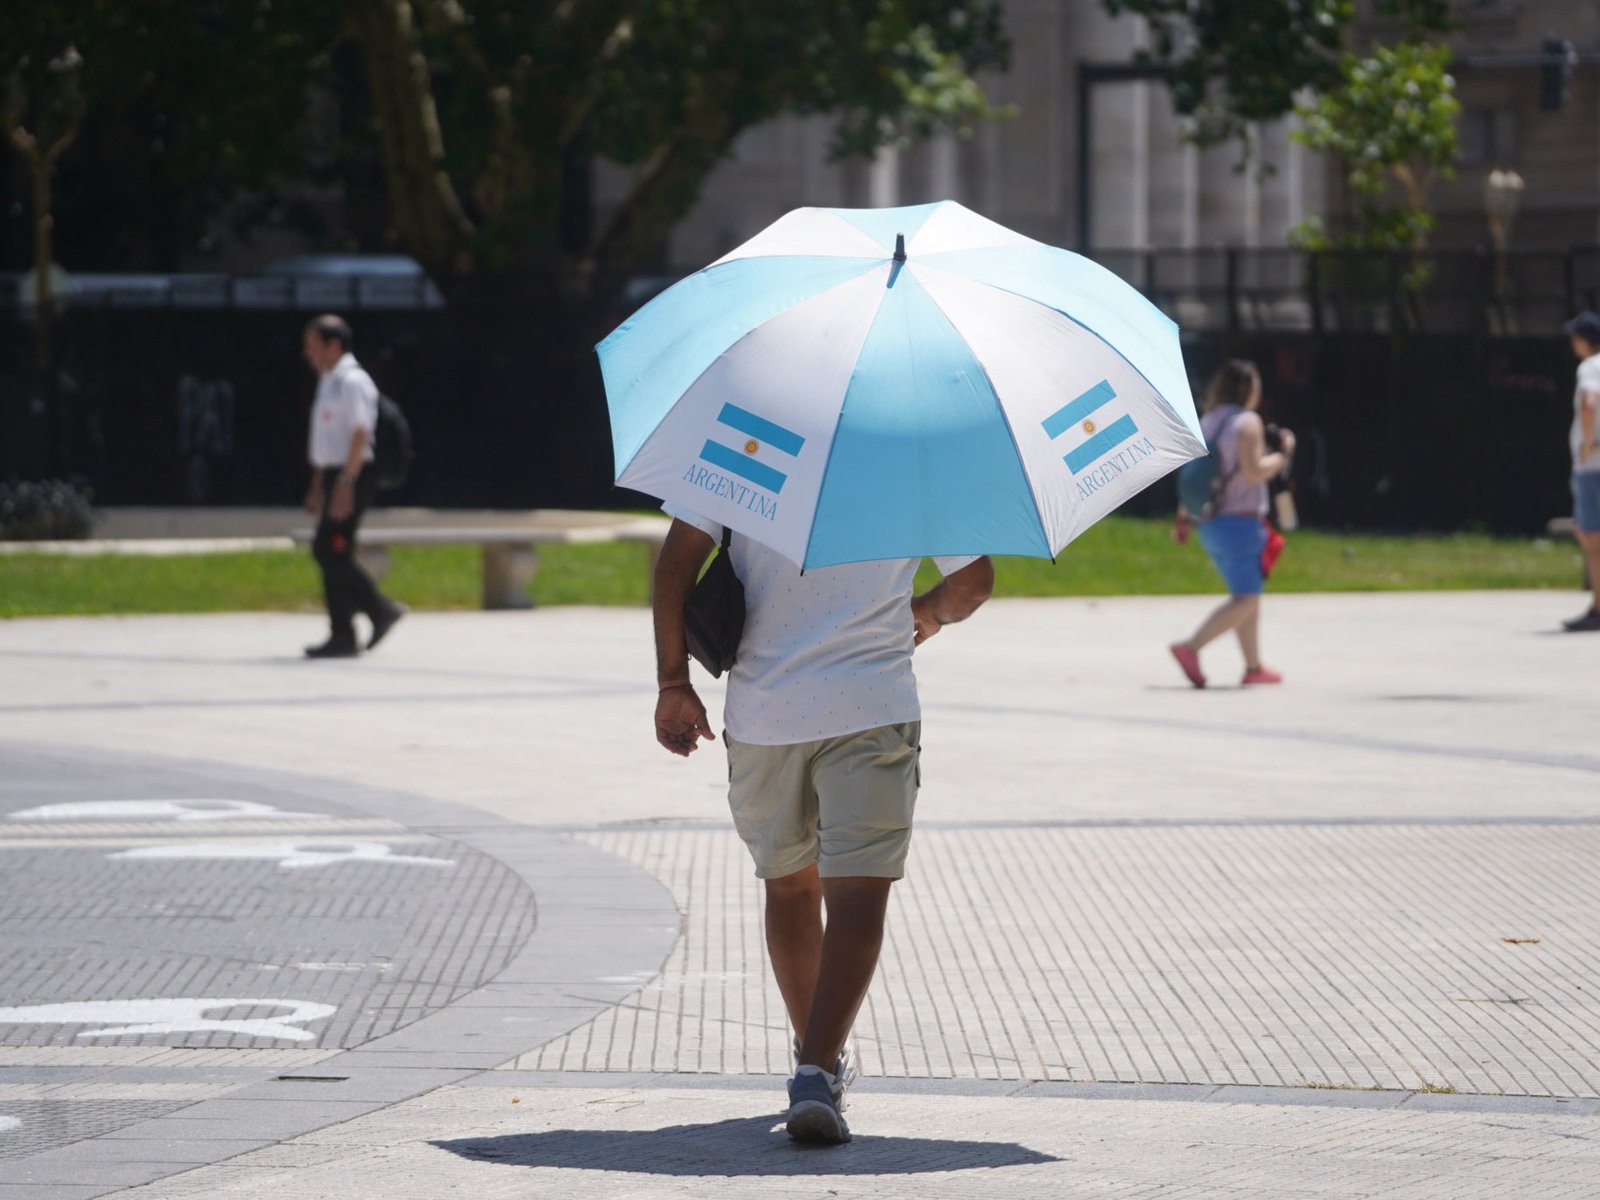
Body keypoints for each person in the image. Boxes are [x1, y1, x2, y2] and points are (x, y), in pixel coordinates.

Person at [651, 513, 993, 1144]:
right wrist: (929, 612)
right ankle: (814, 1070)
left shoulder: (742, 439)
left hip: (764, 715)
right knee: (859, 899)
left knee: (788, 887)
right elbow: (972, 583)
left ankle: (819, 1061)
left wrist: (674, 681)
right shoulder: (909, 465)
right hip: (874, 707)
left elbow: (675, 563)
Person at [1168, 358, 1294, 688]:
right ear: (1249, 389)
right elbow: (1254, 472)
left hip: (1209, 522)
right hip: (1239, 522)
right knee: (1247, 599)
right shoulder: (1247, 422)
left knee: (1246, 596)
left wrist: (1182, 516)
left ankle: (1254, 669)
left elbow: (1195, 474)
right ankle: (1190, 648)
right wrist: (1283, 455)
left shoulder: (1208, 421)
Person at [300, 314, 405, 658]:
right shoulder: (328, 380)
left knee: (328, 549)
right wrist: (318, 485)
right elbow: (327, 440)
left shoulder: (352, 381)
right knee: (333, 552)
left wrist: (346, 482)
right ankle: (342, 634)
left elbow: (362, 433)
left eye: (314, 345)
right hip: (335, 474)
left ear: (334, 345)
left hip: (354, 474)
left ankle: (380, 610)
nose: (308, 352)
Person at [1560, 311, 1600, 632]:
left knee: (1592, 538)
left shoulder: (1590, 367)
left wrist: (1589, 443)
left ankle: (1599, 608)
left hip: (1593, 467)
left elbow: (1589, 403)